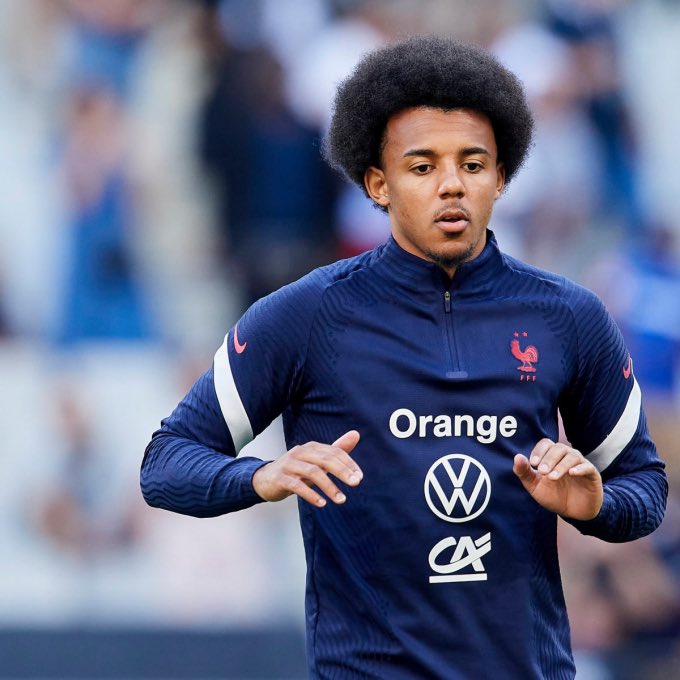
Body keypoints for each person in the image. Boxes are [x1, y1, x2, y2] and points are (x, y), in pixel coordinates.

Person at [141, 36, 667, 679]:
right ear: (377, 183)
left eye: (473, 164)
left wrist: (595, 506)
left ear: (501, 177)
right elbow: (166, 464)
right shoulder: (305, 315)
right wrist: (261, 477)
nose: (452, 185)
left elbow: (644, 488)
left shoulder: (569, 316)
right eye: (422, 167)